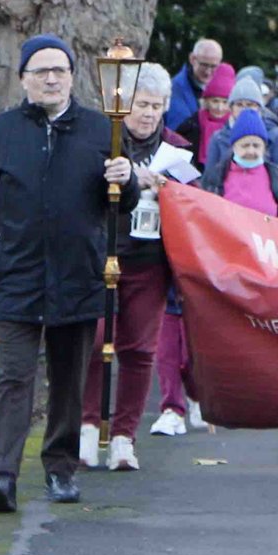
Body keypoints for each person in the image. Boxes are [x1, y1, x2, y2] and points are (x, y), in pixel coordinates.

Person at [0, 33, 137, 513]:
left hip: (77, 274)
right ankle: (1, 475)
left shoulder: (102, 131)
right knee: (15, 376)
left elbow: (122, 207)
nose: (51, 78)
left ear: (73, 77)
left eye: (60, 70)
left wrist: (126, 182)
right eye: (41, 70)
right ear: (24, 79)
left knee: (69, 378)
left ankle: (60, 468)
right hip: (16, 275)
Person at [81, 63, 188, 472]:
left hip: (150, 261)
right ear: (126, 107)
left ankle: (124, 437)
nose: (148, 114)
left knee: (139, 349)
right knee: (94, 341)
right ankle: (88, 427)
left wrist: (170, 191)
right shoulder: (103, 141)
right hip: (101, 254)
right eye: (142, 104)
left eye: (156, 106)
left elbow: (193, 203)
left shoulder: (178, 148)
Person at [198, 109, 278, 220]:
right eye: (245, 145)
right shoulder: (215, 177)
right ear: (234, 147)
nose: (251, 151)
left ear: (264, 148)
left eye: (256, 146)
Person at [203, 73, 278, 172]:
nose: (244, 109)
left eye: (250, 105)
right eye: (239, 104)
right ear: (231, 108)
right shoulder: (218, 137)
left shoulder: (276, 136)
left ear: (259, 108)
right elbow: (209, 178)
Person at [173, 61, 234, 165]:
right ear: (206, 101)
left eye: (225, 102)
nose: (220, 108)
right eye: (215, 101)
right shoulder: (190, 126)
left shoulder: (236, 127)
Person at [168, 38, 223, 129]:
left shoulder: (222, 89)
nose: (208, 72)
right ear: (192, 59)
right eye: (204, 65)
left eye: (213, 66)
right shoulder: (175, 90)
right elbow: (177, 132)